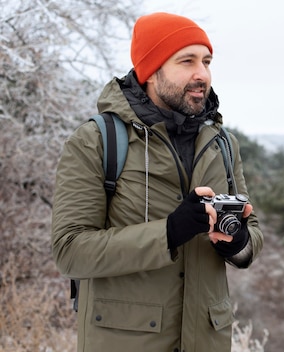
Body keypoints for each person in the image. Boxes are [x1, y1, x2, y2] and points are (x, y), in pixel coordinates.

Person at [51, 12, 263, 352]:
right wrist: (169, 232)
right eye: (187, 61)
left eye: (206, 61)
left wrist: (236, 242)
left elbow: (252, 235)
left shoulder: (222, 143)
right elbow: (70, 251)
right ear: (151, 70)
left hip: (207, 340)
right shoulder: (98, 140)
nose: (202, 74)